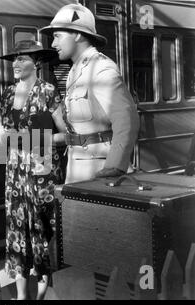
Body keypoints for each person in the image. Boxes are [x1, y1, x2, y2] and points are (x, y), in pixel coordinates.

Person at [0, 40, 67, 300]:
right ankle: (21, 298)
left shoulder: (48, 91)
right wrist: (11, 138)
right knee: (17, 230)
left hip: (42, 171)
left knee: (41, 231)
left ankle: (40, 297)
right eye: (14, 59)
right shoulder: (7, 94)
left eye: (22, 58)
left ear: (35, 62)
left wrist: (36, 138)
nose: (15, 63)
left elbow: (66, 136)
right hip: (15, 174)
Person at [40, 4, 140, 183]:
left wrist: (114, 167)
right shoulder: (75, 71)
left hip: (100, 169)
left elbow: (127, 119)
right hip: (78, 164)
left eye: (57, 36)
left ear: (77, 34)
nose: (54, 44)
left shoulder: (100, 68)